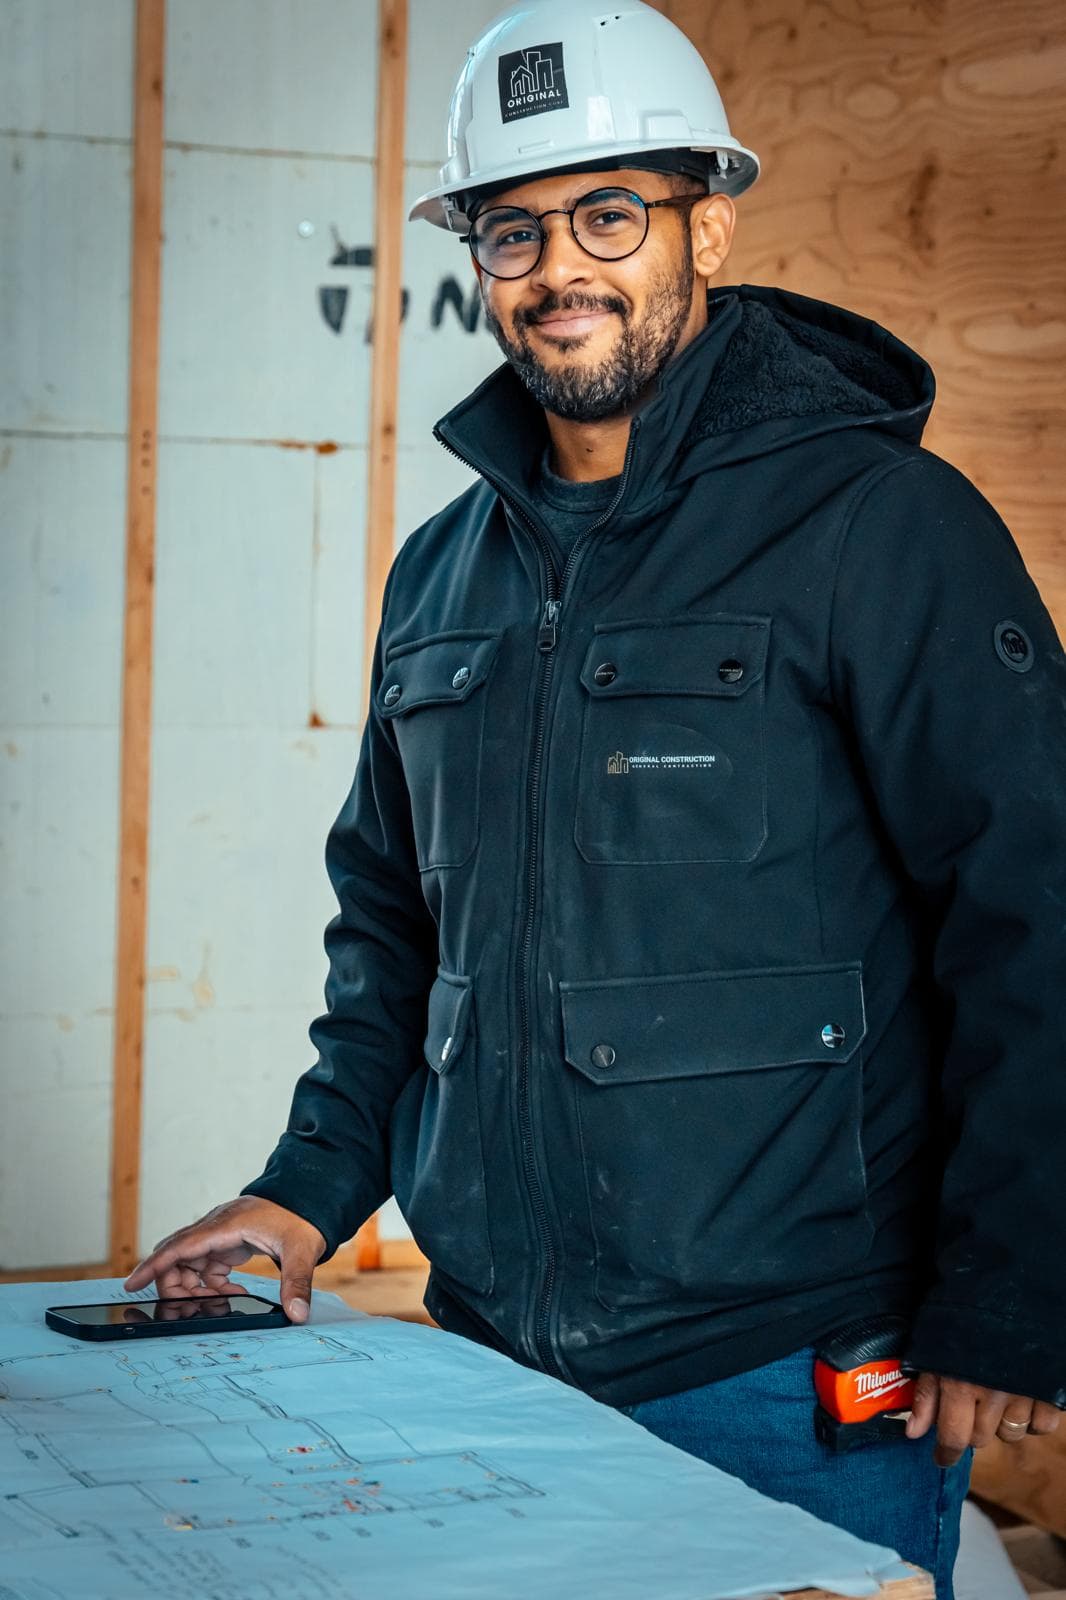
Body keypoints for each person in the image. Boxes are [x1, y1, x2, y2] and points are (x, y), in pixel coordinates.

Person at [125, 1, 1064, 1591]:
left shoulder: (880, 527)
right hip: (486, 1345)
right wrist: (303, 1195)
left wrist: (1014, 1295)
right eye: (512, 230)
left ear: (709, 223)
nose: (560, 267)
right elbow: (393, 939)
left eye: (610, 214)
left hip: (792, 1368)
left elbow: (1033, 922)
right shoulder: (444, 572)